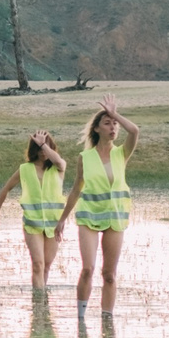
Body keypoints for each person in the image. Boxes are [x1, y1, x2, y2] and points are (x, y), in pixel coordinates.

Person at [63, 97, 138, 312]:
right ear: (96, 129)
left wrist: (115, 114)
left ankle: (107, 320)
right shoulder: (85, 157)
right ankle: (81, 319)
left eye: (114, 124)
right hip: (89, 217)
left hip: (115, 218)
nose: (113, 127)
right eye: (107, 123)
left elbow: (134, 131)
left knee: (109, 275)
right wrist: (61, 220)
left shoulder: (121, 153)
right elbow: (76, 189)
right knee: (88, 269)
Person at [0, 130, 70, 287]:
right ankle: (38, 299)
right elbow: (6, 188)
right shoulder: (25, 169)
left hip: (54, 225)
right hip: (32, 224)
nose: (43, 152)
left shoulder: (59, 167)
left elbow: (57, 160)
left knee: (46, 265)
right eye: (39, 148)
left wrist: (43, 143)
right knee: (38, 265)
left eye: (46, 147)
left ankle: (42, 299)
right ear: (34, 150)